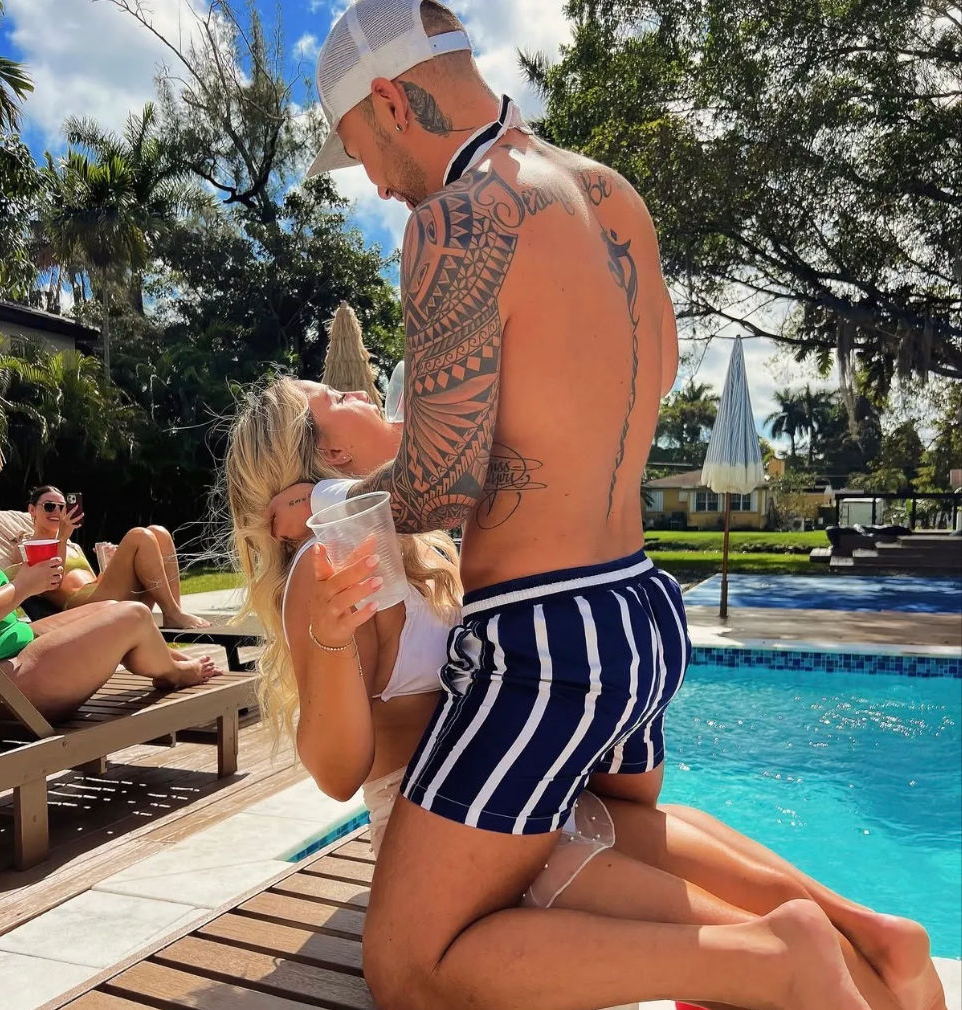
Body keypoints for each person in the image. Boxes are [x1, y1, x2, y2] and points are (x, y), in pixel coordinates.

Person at [297, 2, 897, 1008]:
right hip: (638, 603)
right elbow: (643, 381)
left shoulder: (454, 219)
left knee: (410, 963)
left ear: (394, 101)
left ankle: (780, 963)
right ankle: (874, 940)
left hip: (542, 633)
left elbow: (437, 490)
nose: (371, 179)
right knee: (608, 842)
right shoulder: (608, 193)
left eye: (357, 146)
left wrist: (327, 511)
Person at [229, 377, 942, 1010]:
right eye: (337, 400)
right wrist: (322, 631)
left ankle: (815, 958)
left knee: (768, 951)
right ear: (329, 457)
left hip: (478, 829)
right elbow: (335, 769)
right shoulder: (336, 567)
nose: (363, 390)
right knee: (787, 936)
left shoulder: (421, 552)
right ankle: (879, 953)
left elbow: (463, 457)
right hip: (528, 815)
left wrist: (346, 496)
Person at [0, 556, 219, 722]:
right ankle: (175, 672)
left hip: (13, 645)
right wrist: (22, 586)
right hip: (9, 686)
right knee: (134, 616)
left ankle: (164, 660)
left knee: (111, 609)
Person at [21, 486, 209, 630]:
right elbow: (48, 583)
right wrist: (62, 538)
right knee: (139, 535)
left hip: (101, 593)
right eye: (49, 506)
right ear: (32, 510)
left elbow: (97, 581)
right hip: (82, 608)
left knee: (158, 533)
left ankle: (174, 611)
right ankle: (173, 613)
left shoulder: (73, 546)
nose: (56, 512)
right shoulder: (25, 548)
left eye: (62, 508)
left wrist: (111, 563)